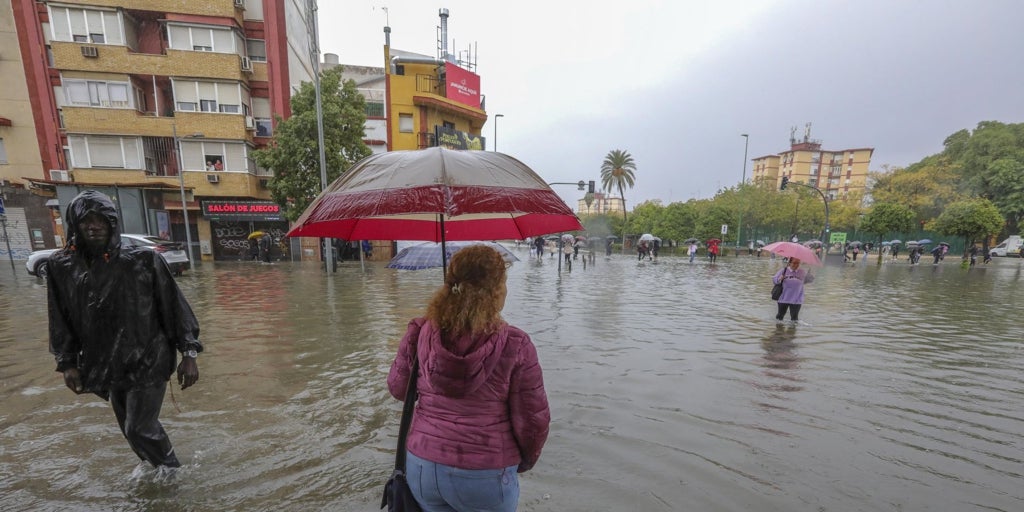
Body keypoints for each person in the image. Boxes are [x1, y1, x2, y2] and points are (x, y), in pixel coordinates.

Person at [46, 190, 201, 469]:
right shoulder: (61, 267)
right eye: (86, 221)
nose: (94, 227)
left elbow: (174, 307)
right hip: (105, 361)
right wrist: (67, 362)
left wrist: (189, 353)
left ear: (112, 224)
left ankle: (173, 476)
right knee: (129, 431)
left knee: (138, 428)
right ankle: (156, 475)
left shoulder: (142, 260)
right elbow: (60, 318)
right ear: (75, 225)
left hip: (149, 356)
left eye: (100, 220)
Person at [387, 245, 550, 511]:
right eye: (504, 283)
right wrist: (524, 461)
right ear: (496, 290)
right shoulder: (516, 343)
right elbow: (533, 420)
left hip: (422, 466)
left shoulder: (419, 331)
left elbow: (397, 388)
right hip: (485, 473)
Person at [772, 257, 814, 322]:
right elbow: (774, 280)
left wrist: (810, 275)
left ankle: (792, 331)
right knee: (780, 316)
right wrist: (780, 279)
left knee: (794, 319)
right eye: (794, 263)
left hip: (797, 299)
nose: (796, 265)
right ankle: (778, 331)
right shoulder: (783, 271)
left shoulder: (802, 272)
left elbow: (808, 281)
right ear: (789, 263)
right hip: (784, 298)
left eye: (798, 263)